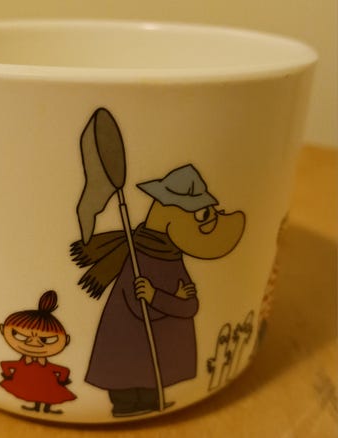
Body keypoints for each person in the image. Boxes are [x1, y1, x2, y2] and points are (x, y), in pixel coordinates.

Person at [71, 164, 246, 417]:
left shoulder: (171, 258)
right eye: (202, 215)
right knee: (128, 374)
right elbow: (138, 304)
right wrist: (167, 300)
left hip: (155, 345)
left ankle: (151, 400)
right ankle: (126, 405)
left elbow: (190, 305)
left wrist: (159, 298)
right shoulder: (141, 259)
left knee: (150, 374)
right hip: (130, 342)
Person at [0, 290, 76, 414]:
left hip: (44, 380)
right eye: (20, 336)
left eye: (45, 340)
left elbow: (6, 365)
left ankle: (46, 409)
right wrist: (62, 379)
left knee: (47, 393)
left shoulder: (33, 363)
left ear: (66, 340)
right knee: (40, 392)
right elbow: (63, 371)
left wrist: (8, 374)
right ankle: (37, 407)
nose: (34, 343)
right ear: (2, 329)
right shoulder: (26, 362)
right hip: (38, 379)